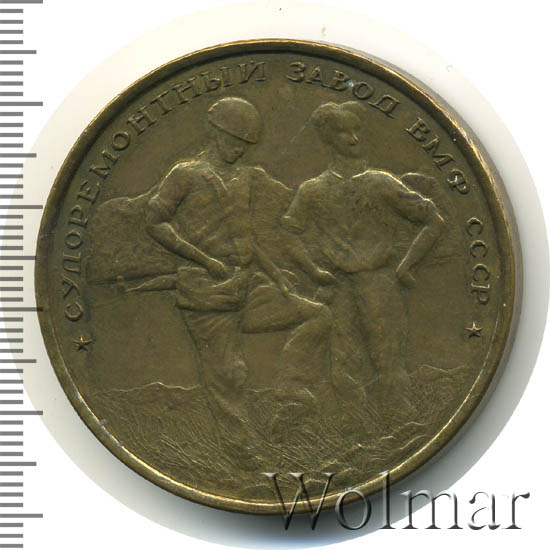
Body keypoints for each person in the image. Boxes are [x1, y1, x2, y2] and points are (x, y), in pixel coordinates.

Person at [139, 96, 331, 458]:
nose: (239, 149)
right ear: (217, 133)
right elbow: (155, 222)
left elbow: (245, 237)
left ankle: (292, 397)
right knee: (229, 374)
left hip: (247, 286)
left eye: (245, 144)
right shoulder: (185, 175)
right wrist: (203, 259)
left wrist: (276, 276)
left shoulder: (244, 178)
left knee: (317, 315)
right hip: (205, 293)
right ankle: (239, 450)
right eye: (235, 140)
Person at [282, 101, 446, 415]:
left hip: (380, 283)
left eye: (357, 130)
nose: (354, 138)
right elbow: (289, 233)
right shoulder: (312, 190)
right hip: (337, 287)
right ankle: (352, 425)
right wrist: (313, 271)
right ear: (329, 138)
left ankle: (398, 419)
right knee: (342, 361)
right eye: (344, 132)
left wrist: (406, 266)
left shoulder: (381, 183)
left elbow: (434, 221)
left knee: (388, 354)